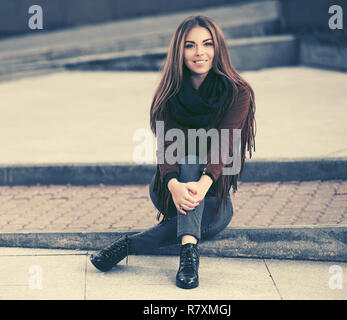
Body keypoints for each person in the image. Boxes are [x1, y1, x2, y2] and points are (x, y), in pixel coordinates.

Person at [90, 15, 256, 290]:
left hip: (213, 199)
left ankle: (126, 246)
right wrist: (174, 185)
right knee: (188, 158)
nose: (199, 52)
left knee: (208, 209)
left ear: (218, 49)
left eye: (207, 44)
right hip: (169, 190)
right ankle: (189, 256)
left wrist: (202, 185)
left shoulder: (238, 92)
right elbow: (167, 149)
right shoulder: (169, 93)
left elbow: (226, 143)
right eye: (190, 45)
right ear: (179, 51)